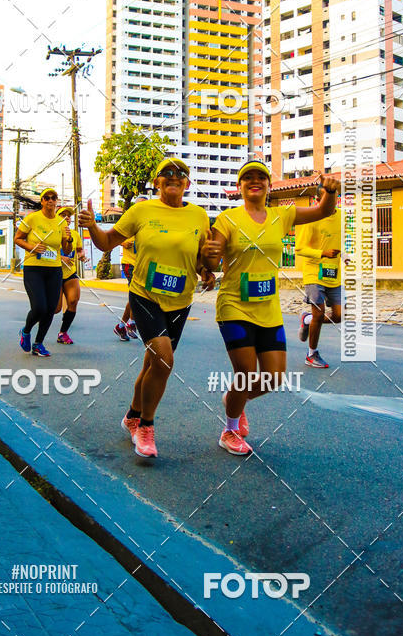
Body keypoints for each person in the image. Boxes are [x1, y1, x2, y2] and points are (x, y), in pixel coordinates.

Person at [201, 160, 341, 456]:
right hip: (234, 306)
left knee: (274, 377)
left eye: (261, 177)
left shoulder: (283, 215)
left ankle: (233, 400)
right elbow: (212, 262)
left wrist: (329, 193)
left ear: (268, 185)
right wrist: (209, 256)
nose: (255, 181)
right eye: (247, 178)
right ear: (240, 187)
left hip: (268, 308)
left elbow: (323, 210)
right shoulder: (227, 219)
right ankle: (229, 429)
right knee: (247, 372)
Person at [79, 158, 214, 459]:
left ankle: (131, 415)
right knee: (164, 361)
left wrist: (206, 270)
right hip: (144, 295)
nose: (173, 177)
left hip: (180, 301)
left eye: (180, 174)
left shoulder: (199, 216)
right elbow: (107, 243)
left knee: (153, 365)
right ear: (157, 182)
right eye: (166, 173)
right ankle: (145, 427)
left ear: (187, 183)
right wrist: (92, 228)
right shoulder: (141, 210)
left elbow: (201, 258)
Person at [15, 187, 72, 357]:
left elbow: (67, 250)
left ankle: (38, 344)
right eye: (46, 198)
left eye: (53, 197)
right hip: (34, 269)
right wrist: (32, 247)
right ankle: (25, 331)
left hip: (54, 270)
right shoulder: (32, 218)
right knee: (39, 307)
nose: (50, 200)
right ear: (42, 201)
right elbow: (17, 238)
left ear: (56, 201)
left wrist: (68, 239)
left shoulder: (61, 223)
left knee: (50, 309)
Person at [296, 184, 348, 369]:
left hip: (334, 273)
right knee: (319, 313)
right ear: (318, 200)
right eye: (327, 197)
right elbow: (300, 248)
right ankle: (311, 354)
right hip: (313, 273)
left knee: (339, 315)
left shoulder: (342, 216)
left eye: (334, 196)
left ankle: (307, 320)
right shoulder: (310, 219)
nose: (331, 200)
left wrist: (346, 255)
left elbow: (341, 239)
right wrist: (322, 253)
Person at [114, 195, 147, 341]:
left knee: (135, 296)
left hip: (143, 266)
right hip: (129, 263)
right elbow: (114, 236)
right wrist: (123, 243)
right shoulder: (129, 221)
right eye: (140, 205)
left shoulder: (150, 224)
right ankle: (131, 323)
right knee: (136, 294)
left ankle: (121, 326)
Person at [54, 206, 86, 344]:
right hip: (53, 273)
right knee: (56, 309)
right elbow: (42, 252)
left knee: (73, 301)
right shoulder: (51, 233)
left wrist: (81, 255)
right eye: (63, 215)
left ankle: (63, 333)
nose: (67, 217)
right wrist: (61, 258)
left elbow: (79, 249)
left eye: (69, 215)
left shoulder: (75, 234)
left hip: (70, 273)